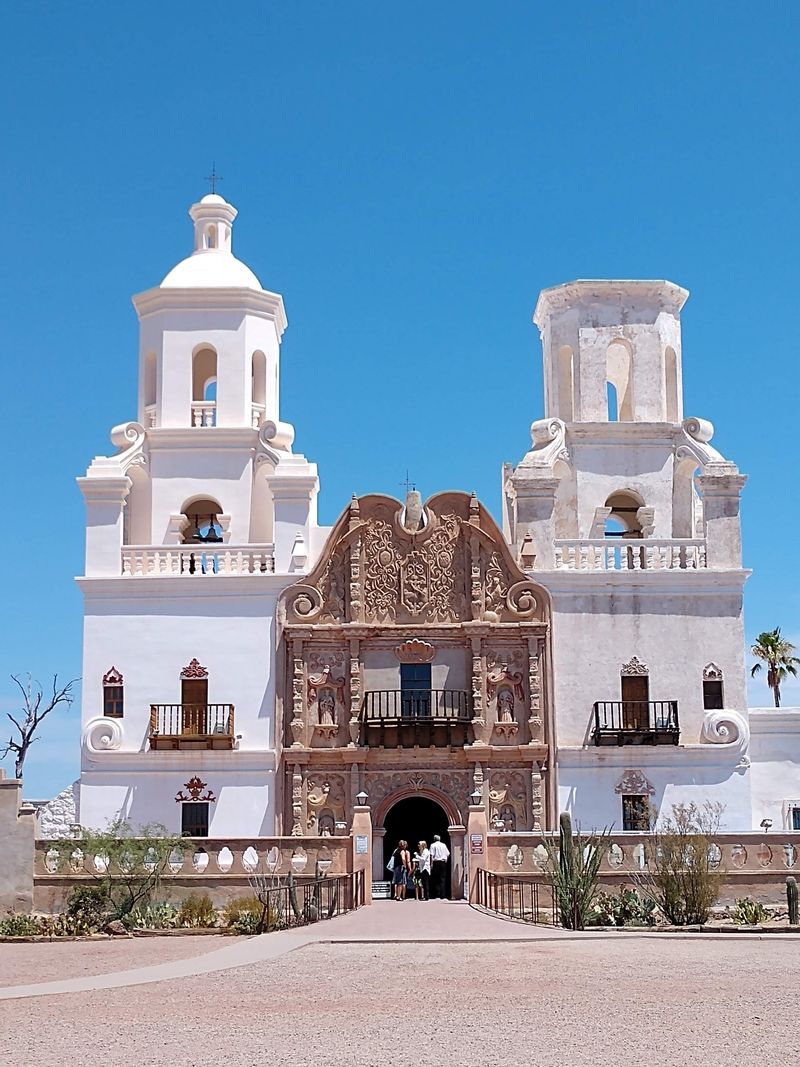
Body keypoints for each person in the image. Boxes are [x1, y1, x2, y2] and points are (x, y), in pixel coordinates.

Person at [429, 834, 450, 899]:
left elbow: (431, 855)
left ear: (434, 839)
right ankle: (442, 894)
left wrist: (431, 864)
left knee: (435, 879)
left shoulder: (432, 845)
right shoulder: (443, 845)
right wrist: (446, 860)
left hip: (435, 862)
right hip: (442, 862)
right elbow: (448, 854)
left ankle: (436, 894)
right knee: (442, 878)